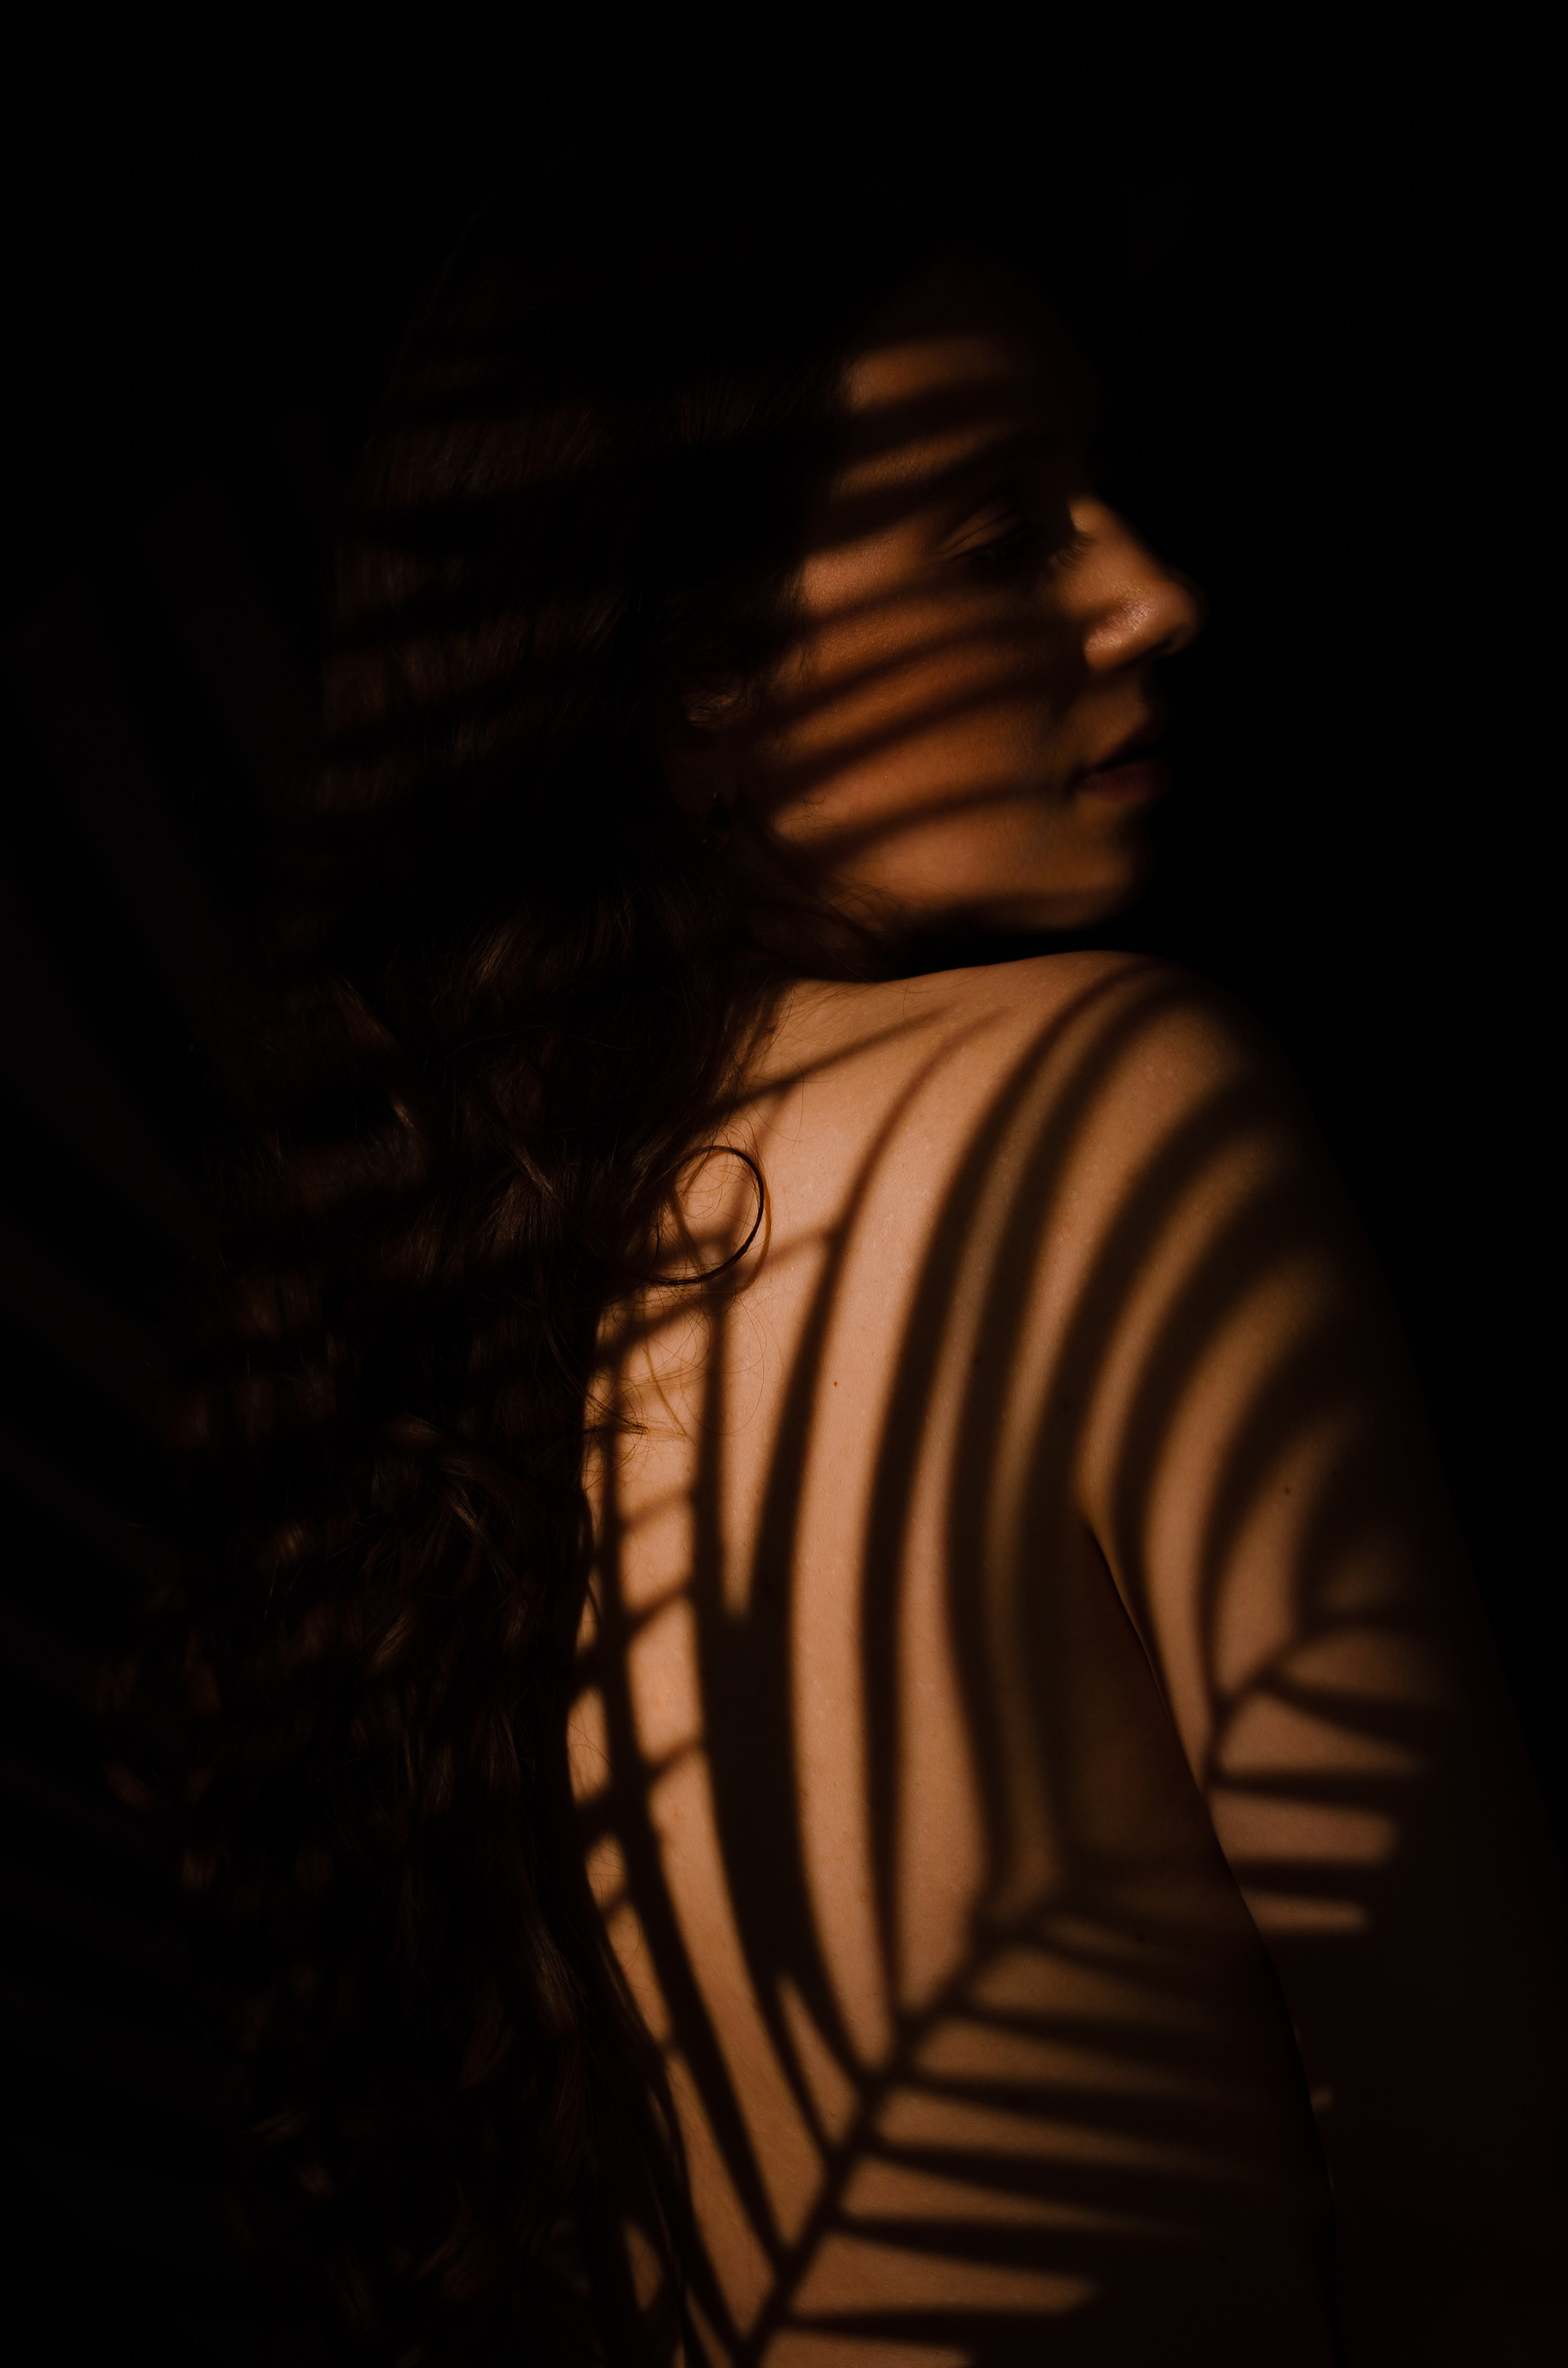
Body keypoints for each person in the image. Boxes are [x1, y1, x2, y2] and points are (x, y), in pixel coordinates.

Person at [146, 121, 1564, 2366]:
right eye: (1003, 533)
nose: (1151, 595)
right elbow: (1480, 2172)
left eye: (1093, 493)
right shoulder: (1096, 1109)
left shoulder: (471, 1360)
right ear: (699, 677)